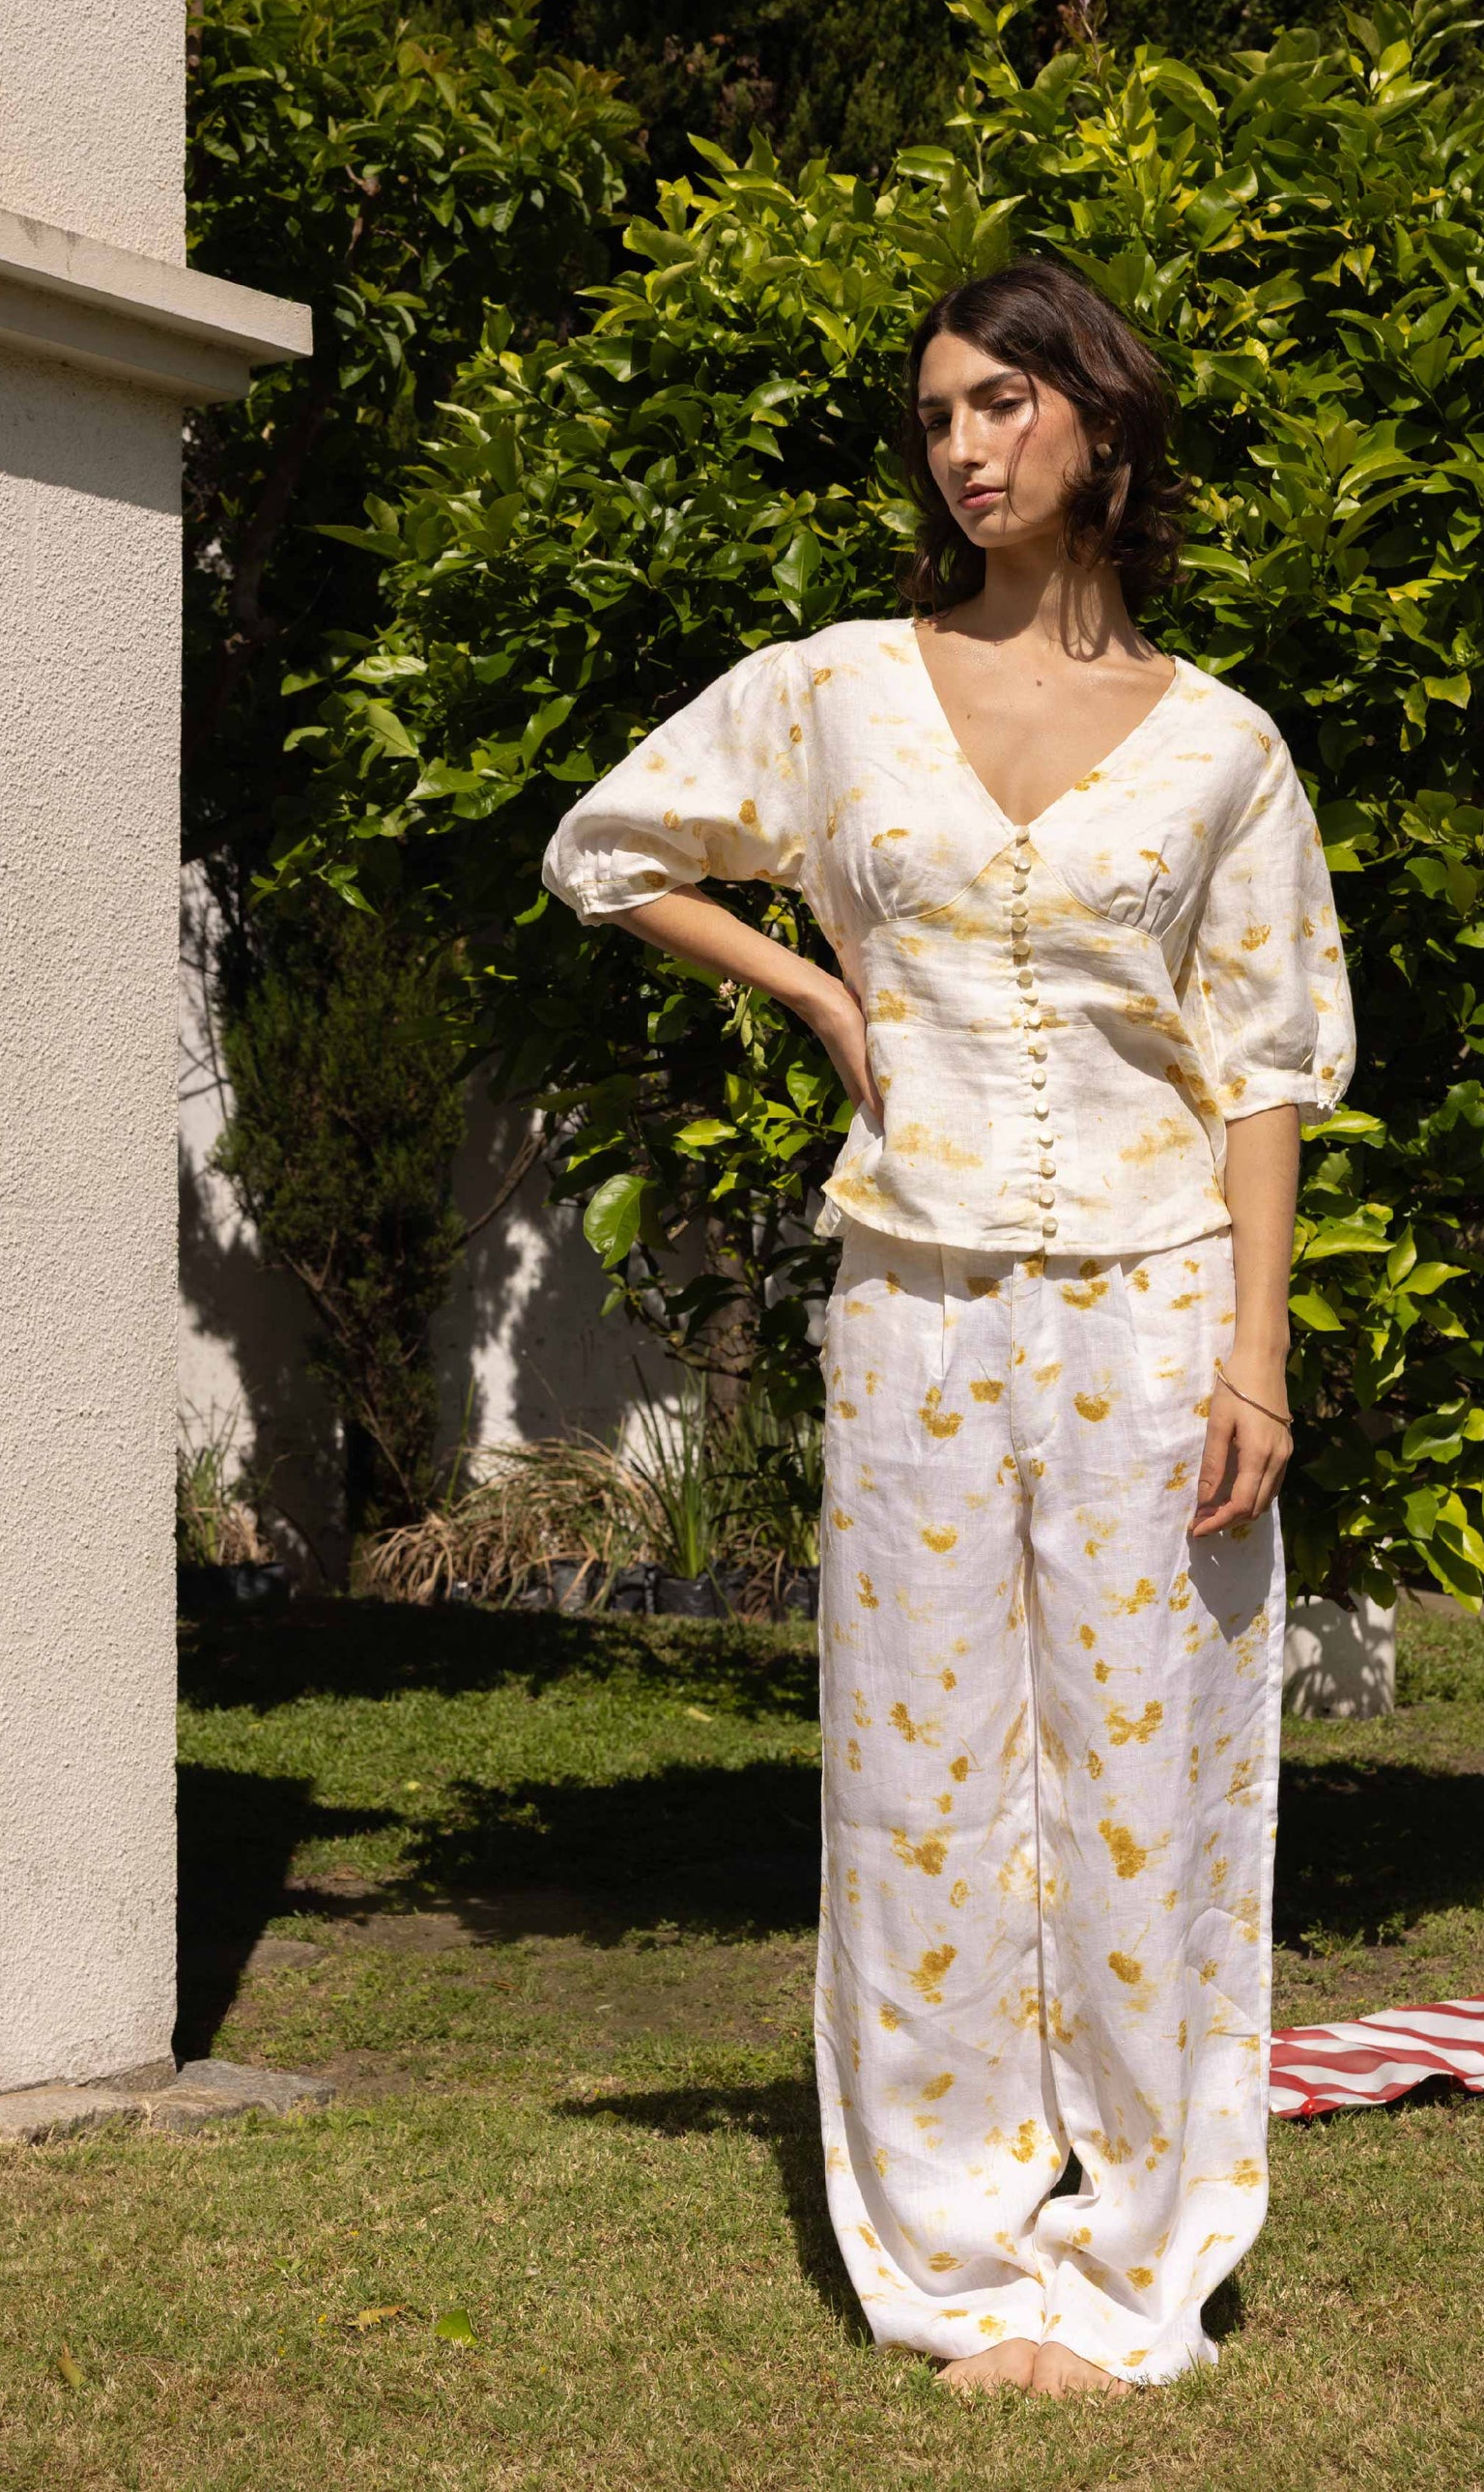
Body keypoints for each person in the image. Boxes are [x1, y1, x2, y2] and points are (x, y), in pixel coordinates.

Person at [542, 257, 1355, 2395]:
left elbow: (1265, 1064)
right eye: (934, 416)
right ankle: (951, 2236)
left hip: (1155, 1306)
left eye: (1004, 401)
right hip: (909, 1299)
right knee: (918, 1777)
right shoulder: (832, 690)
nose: (965, 447)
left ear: (1102, 418)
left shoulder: (1224, 747)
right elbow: (605, 848)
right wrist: (812, 983)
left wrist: (1258, 1354)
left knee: (1151, 1774)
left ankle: (1142, 2236)